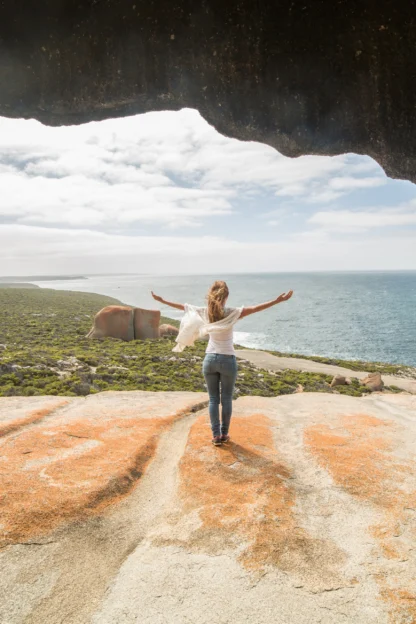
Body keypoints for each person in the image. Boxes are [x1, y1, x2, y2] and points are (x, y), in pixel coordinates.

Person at [151, 281, 293, 446]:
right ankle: (224, 434)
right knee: (226, 399)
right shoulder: (232, 313)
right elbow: (255, 308)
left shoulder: (205, 312)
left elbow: (183, 307)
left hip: (210, 360)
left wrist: (161, 300)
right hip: (227, 360)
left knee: (213, 399)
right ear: (226, 297)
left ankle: (216, 435)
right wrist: (277, 301)